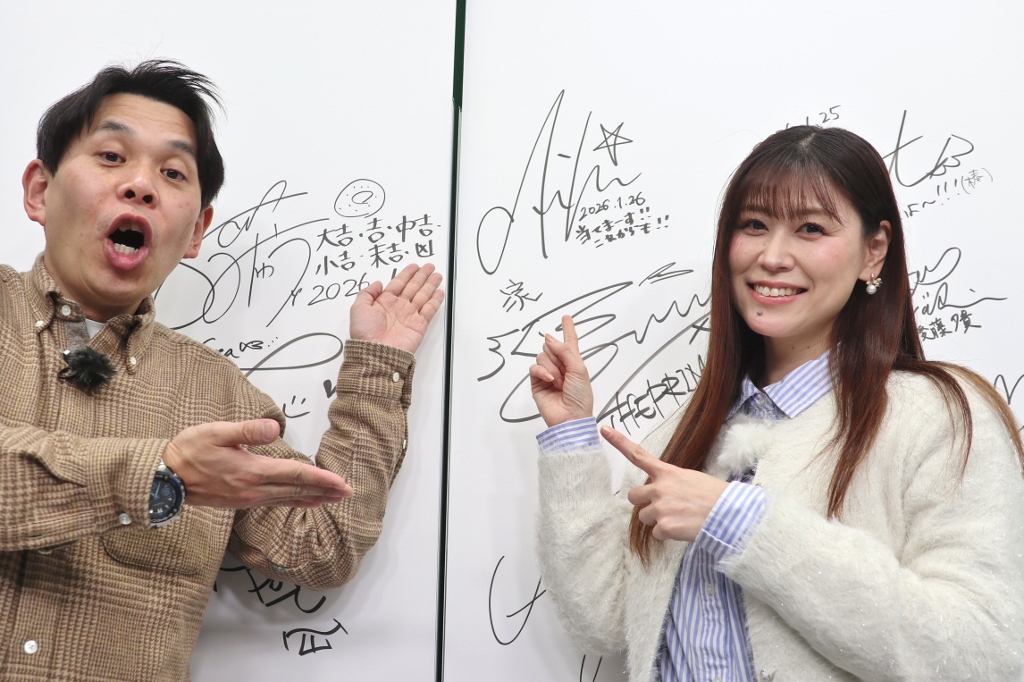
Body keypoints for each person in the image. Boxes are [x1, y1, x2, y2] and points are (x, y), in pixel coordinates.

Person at [1, 60, 444, 680]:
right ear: (39, 191)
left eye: (172, 173)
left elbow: (322, 545)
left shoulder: (216, 396)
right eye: (111, 157)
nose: (141, 185)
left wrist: (378, 365)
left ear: (196, 232)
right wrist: (162, 475)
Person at [530, 126, 1024, 681]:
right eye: (754, 226)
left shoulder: (940, 417)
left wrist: (744, 524)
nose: (771, 257)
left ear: (874, 251)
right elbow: (602, 619)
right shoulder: (687, 430)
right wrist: (570, 435)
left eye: (811, 228)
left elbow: (983, 652)